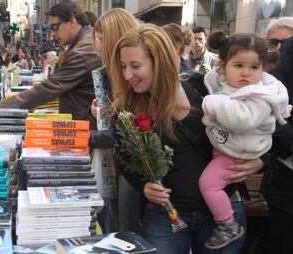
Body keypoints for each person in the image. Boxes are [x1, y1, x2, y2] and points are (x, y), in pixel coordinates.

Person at [108, 24, 264, 254]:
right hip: (166, 215)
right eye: (123, 66)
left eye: (135, 66)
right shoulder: (126, 109)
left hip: (223, 215)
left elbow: (261, 123)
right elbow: (124, 157)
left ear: (159, 61)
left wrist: (260, 161)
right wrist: (144, 186)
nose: (127, 75)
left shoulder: (203, 87)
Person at [199, 33, 290, 250]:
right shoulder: (232, 85)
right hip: (231, 147)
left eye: (254, 67)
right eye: (239, 65)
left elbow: (242, 120)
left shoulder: (260, 94)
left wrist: (212, 104)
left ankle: (227, 224)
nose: (246, 73)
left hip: (240, 150)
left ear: (263, 68)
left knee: (208, 184)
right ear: (223, 65)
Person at [0, 1, 101, 126]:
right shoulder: (85, 42)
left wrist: (2, 106)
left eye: (54, 27)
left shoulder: (82, 51)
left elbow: (50, 87)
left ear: (72, 22)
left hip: (87, 128)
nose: (52, 35)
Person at [90, 8, 140, 233]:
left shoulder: (131, 76)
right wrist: (100, 114)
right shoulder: (107, 73)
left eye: (100, 38)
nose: (97, 45)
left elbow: (127, 127)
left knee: (126, 231)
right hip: (117, 165)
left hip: (133, 169)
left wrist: (90, 136)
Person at [261, 20, 293, 254]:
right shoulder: (265, 75)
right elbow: (267, 120)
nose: (279, 48)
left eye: (285, 42)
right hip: (284, 190)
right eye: (274, 42)